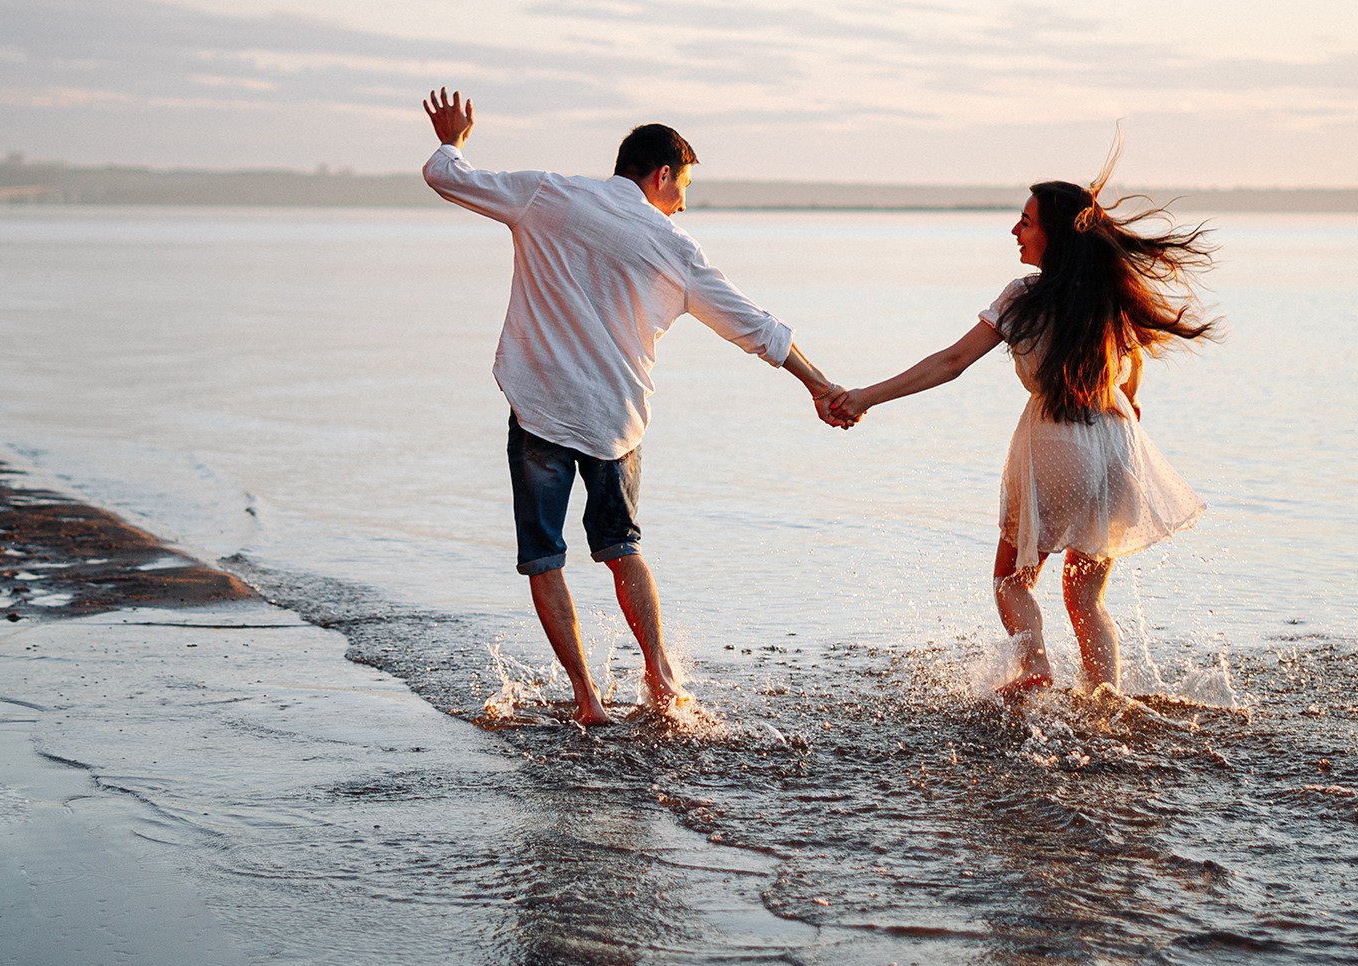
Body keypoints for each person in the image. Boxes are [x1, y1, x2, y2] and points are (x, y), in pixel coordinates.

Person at [420, 88, 848, 725]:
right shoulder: (674, 246)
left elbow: (443, 175)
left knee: (543, 558)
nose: (684, 201)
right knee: (621, 548)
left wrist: (454, 138)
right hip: (614, 420)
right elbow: (754, 326)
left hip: (539, 407)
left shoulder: (547, 194)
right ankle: (662, 677)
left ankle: (588, 700)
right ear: (663, 173)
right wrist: (818, 383)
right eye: (685, 185)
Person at [829, 148, 1215, 697]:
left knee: (1011, 581)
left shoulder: (1024, 298)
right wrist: (1125, 402)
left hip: (1057, 442)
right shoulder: (1109, 295)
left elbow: (951, 362)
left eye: (1027, 221)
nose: (1015, 229)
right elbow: (1132, 374)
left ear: (1054, 235)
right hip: (1118, 445)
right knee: (1086, 598)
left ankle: (1035, 668)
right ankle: (1104, 703)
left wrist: (867, 396)